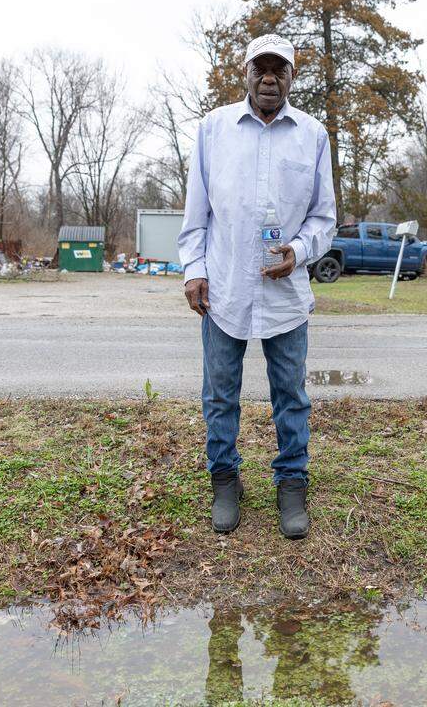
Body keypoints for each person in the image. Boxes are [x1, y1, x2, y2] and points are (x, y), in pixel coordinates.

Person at [178, 33, 336, 540]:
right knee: (220, 394)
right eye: (260, 68)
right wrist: (193, 269)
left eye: (280, 70)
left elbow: (324, 217)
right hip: (224, 288)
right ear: (245, 72)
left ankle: (292, 483)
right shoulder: (213, 129)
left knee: (290, 394)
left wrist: (301, 251)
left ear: (292, 77)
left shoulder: (312, 135)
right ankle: (225, 481)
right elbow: (196, 212)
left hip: (286, 296)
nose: (269, 78)